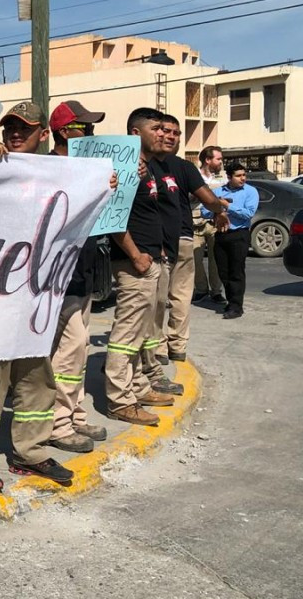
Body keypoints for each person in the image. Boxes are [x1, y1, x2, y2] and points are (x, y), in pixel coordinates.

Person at [0, 101, 74, 492]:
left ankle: (30, 451)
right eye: (9, 128)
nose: (14, 134)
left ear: (44, 134)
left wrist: (107, 184)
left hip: (35, 294)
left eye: (24, 128)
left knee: (37, 376)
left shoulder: (58, 173)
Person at [103, 108, 179, 426]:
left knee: (138, 334)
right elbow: (113, 215)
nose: (164, 134)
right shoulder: (123, 166)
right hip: (134, 264)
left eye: (166, 129)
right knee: (126, 334)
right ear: (136, 133)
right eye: (157, 128)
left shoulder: (149, 167)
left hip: (149, 260)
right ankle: (120, 401)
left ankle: (137, 388)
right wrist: (135, 255)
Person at [45, 100, 109, 453]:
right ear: (65, 132)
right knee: (68, 350)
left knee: (80, 349)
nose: (91, 133)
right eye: (84, 127)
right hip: (60, 275)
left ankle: (76, 417)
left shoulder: (87, 168)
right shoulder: (50, 168)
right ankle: (58, 424)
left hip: (83, 272)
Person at [155, 117, 229, 363]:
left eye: (176, 132)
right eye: (166, 131)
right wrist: (220, 209)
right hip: (154, 242)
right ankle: (161, 347)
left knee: (178, 297)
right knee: (160, 297)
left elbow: (208, 198)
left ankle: (174, 346)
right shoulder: (144, 164)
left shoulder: (184, 167)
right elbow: (209, 200)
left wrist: (218, 208)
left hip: (182, 238)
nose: (171, 136)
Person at [203, 162, 256, 319]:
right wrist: (219, 213)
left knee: (236, 271)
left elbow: (248, 213)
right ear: (229, 176)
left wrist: (227, 207)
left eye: (244, 175)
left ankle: (236, 306)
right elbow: (205, 210)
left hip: (239, 234)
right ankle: (231, 300)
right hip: (221, 234)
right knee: (223, 271)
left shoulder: (250, 192)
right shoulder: (218, 191)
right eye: (238, 176)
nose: (242, 179)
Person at [194, 146, 227, 304]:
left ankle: (216, 291)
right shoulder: (194, 175)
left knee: (217, 259)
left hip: (215, 221)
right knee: (194, 259)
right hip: (195, 222)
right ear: (208, 160)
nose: (221, 162)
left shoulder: (222, 177)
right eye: (218, 159)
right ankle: (201, 289)